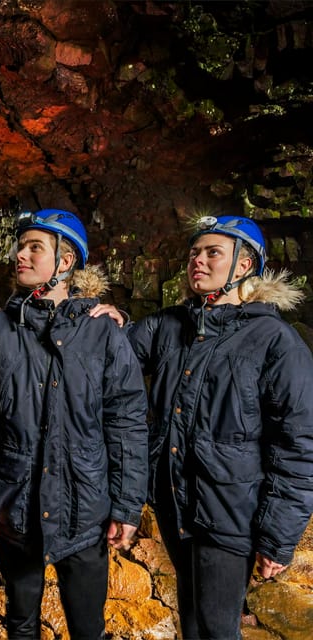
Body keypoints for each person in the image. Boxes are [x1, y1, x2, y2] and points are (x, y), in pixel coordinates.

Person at [91, 214, 313, 639]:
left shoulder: (274, 341)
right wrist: (104, 316)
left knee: (215, 626)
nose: (199, 260)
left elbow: (299, 446)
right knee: (191, 619)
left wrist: (278, 538)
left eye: (214, 253)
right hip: (176, 502)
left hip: (230, 512)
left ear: (244, 266)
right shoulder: (169, 324)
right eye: (195, 252)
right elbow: (109, 357)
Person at [0, 208, 149, 640]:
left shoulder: (104, 334)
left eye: (34, 247)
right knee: (21, 623)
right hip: (15, 512)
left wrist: (127, 506)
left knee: (87, 628)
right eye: (20, 246)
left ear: (64, 262)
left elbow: (127, 424)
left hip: (85, 512)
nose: (20, 255)